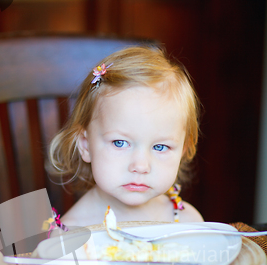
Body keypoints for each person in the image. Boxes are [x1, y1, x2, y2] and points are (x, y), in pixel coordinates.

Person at [49, 45, 203, 227]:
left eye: (160, 147)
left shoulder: (187, 223)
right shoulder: (72, 233)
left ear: (183, 151)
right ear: (85, 145)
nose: (140, 166)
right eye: (120, 143)